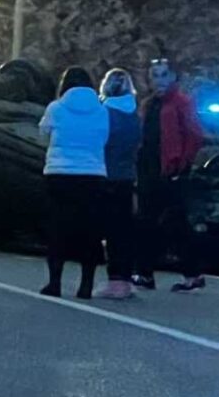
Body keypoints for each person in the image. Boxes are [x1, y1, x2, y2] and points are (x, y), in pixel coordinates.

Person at [132, 58, 205, 292]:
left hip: (170, 173)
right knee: (147, 223)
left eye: (164, 75)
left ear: (173, 77)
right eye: (155, 75)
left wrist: (181, 167)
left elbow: (194, 136)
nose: (159, 80)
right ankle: (146, 273)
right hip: (148, 172)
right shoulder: (148, 105)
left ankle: (191, 274)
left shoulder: (182, 103)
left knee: (176, 224)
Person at [39, 66, 109, 300]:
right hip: (92, 174)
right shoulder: (102, 110)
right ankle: (86, 285)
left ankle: (54, 282)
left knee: (58, 228)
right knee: (89, 231)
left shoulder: (56, 108)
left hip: (59, 174)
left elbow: (43, 133)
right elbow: (104, 137)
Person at [94, 68, 142, 299]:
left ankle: (115, 282)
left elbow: (100, 142)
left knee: (111, 232)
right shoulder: (135, 113)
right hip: (127, 176)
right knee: (125, 230)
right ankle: (126, 277)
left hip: (107, 174)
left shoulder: (104, 112)